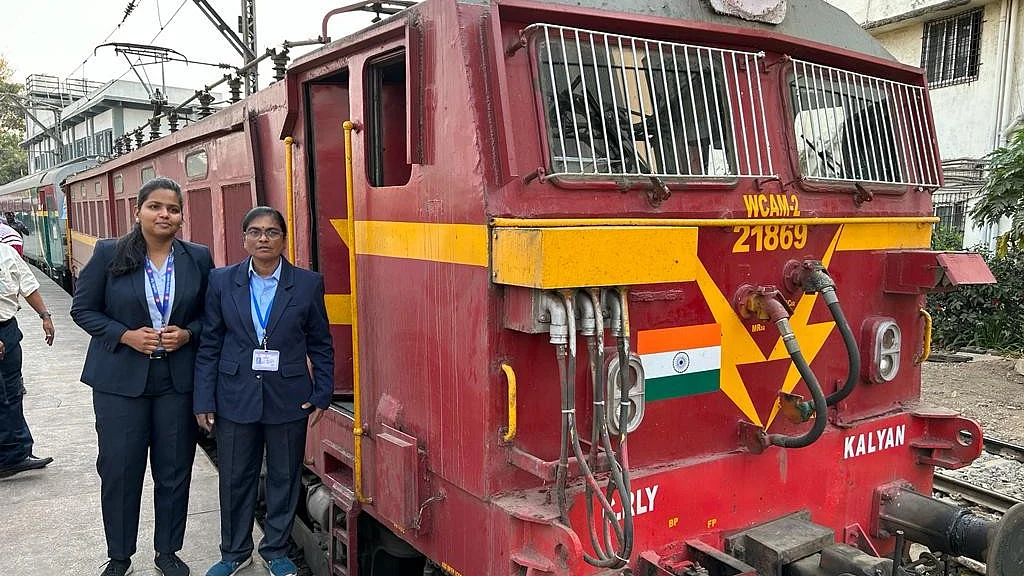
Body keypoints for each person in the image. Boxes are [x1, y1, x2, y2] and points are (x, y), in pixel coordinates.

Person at [70, 177, 214, 576]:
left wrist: (187, 334)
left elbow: (212, 318)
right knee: (119, 470)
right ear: (138, 211)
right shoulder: (109, 253)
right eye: (155, 206)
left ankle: (168, 550)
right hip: (119, 384)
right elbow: (83, 310)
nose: (163, 214)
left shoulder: (198, 258)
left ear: (182, 217)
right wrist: (125, 335)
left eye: (172, 208)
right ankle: (119, 556)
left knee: (174, 469)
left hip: (175, 383)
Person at [194, 206, 333, 576]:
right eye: (255, 232)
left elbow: (320, 342)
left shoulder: (306, 283)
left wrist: (323, 392)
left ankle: (275, 549)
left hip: (288, 396)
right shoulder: (222, 281)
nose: (263, 239)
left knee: (285, 478)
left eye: (272, 232)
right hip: (234, 395)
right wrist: (204, 399)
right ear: (244, 239)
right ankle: (235, 552)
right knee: (235, 477)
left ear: (284, 240)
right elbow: (210, 343)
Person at [0, 242, 55, 479]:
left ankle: (16, 454)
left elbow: (28, 285)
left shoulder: (6, 252)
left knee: (12, 393)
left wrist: (45, 315)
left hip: (8, 329)